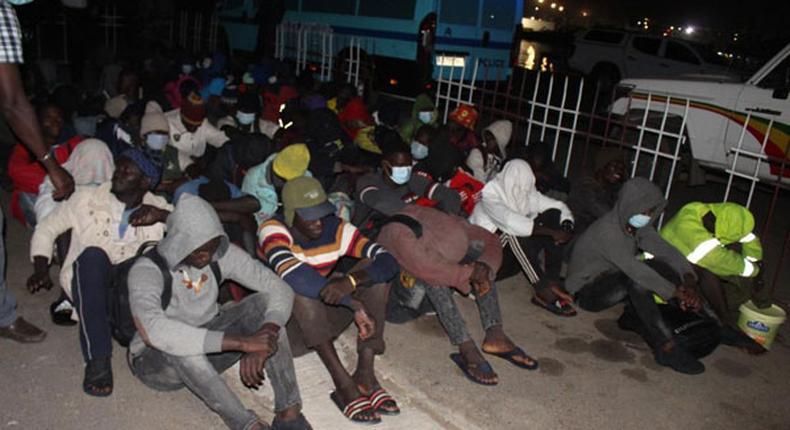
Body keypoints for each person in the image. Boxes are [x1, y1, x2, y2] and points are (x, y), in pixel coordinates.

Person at [128, 195, 311, 430]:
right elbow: (154, 331)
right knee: (183, 345)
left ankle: (289, 413)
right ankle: (245, 424)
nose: (207, 256)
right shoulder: (146, 270)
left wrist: (266, 335)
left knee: (265, 305)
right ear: (179, 242)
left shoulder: (217, 254)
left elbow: (279, 287)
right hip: (156, 363)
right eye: (199, 251)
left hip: (210, 343)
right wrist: (244, 343)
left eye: (211, 248)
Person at [27, 148, 172, 395]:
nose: (117, 174)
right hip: (90, 282)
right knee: (92, 255)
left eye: (127, 171)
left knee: (149, 262)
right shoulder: (86, 197)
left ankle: (139, 337)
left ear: (145, 182)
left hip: (129, 294)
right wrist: (41, 267)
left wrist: (164, 217)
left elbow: (195, 231)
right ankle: (98, 361)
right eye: (119, 167)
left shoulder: (158, 207)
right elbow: (47, 228)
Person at [259, 176, 400, 424]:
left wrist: (353, 281)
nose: (318, 222)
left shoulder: (335, 227)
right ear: (290, 214)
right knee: (300, 289)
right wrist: (352, 302)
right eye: (309, 216)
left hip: (325, 318)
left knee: (373, 275)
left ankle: (365, 373)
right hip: (286, 331)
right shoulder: (272, 229)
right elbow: (297, 277)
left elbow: (388, 261)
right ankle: (343, 383)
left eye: (321, 213)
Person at [376, 203, 539, 385]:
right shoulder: (400, 234)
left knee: (480, 261)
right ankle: (466, 347)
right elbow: (430, 268)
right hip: (399, 304)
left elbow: (490, 239)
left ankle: (495, 333)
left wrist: (485, 267)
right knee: (435, 277)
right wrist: (469, 273)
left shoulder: (447, 222)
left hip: (430, 278)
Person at [566, 177, 705, 374]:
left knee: (661, 267)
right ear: (629, 205)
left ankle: (693, 315)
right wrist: (674, 292)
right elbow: (633, 269)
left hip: (611, 279)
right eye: (643, 210)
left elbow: (667, 251)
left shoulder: (636, 226)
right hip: (587, 291)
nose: (647, 215)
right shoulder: (608, 231)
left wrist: (688, 280)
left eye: (651, 211)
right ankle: (666, 346)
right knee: (636, 279)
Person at [0, 0, 74, 343]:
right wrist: (53, 167)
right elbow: (13, 101)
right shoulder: (1, 14)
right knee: (47, 206)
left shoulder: (70, 144)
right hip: (31, 200)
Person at [470, 159, 577, 317]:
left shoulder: (526, 192)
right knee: (514, 231)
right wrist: (551, 233)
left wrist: (566, 225)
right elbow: (510, 221)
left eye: (526, 187)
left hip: (512, 261)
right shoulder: (490, 196)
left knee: (553, 215)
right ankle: (542, 290)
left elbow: (558, 206)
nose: (523, 191)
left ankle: (552, 279)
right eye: (519, 186)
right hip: (483, 264)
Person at [660, 202, 771, 336]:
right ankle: (727, 323)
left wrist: (756, 264)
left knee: (743, 277)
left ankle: (761, 310)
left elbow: (749, 239)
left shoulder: (710, 213)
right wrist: (754, 271)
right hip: (660, 275)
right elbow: (716, 259)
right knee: (712, 273)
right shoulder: (688, 225)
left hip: (685, 272)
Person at [353, 138, 461, 234]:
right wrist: (427, 219)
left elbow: (451, 197)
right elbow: (384, 203)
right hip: (368, 238)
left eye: (408, 165)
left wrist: (444, 222)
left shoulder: (412, 179)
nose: (406, 170)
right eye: (400, 166)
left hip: (411, 229)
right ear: (385, 166)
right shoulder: (367, 182)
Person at [8, 101, 83, 226]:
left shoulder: (71, 144)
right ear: (37, 122)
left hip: (66, 197)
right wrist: (57, 179)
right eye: (49, 117)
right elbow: (16, 172)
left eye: (59, 117)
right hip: (38, 197)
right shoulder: (25, 147)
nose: (55, 121)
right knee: (26, 196)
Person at [242, 143, 311, 226]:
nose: (287, 183)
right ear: (274, 168)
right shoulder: (253, 178)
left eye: (292, 179)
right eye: (283, 178)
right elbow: (247, 216)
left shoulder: (307, 179)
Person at [164, 91, 229, 177]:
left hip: (198, 164)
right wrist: (188, 164)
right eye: (190, 125)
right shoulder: (165, 122)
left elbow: (218, 138)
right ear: (181, 118)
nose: (194, 129)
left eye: (197, 126)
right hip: (173, 167)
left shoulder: (203, 123)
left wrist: (233, 145)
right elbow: (166, 150)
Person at [567, 157, 626, 234]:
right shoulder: (586, 184)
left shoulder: (611, 187)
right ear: (602, 166)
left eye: (621, 168)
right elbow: (598, 209)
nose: (618, 170)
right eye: (614, 165)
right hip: (571, 228)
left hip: (589, 229)